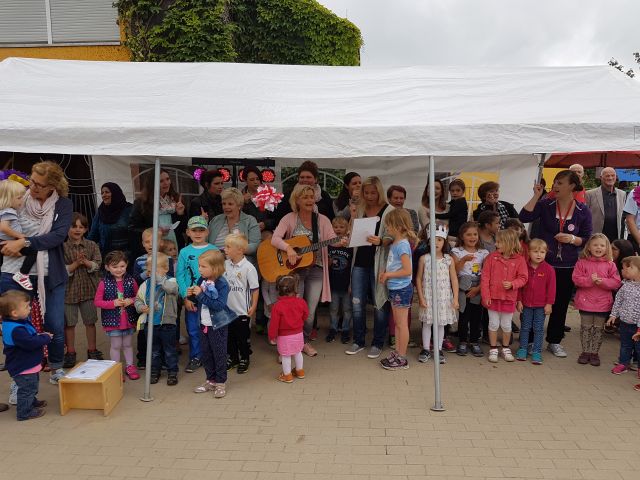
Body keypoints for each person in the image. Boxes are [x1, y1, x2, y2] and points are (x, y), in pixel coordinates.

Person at [1, 161, 73, 385]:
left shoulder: (63, 205)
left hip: (51, 274)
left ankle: (57, 367)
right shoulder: (19, 197)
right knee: (16, 325)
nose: (33, 187)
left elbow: (57, 236)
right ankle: (18, 379)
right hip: (16, 273)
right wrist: (7, 245)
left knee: (54, 323)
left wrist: (24, 243)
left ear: (53, 186)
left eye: (40, 185)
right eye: (32, 181)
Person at [519, 170, 593, 358]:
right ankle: (528, 341)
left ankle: (554, 340)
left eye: (560, 183)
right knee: (533, 301)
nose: (555, 186)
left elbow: (586, 237)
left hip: (567, 265)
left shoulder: (583, 210)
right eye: (555, 182)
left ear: (572, 186)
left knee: (559, 304)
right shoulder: (546, 204)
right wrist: (536, 196)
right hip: (541, 264)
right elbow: (524, 217)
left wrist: (572, 239)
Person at [272, 183, 338, 357]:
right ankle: (287, 345)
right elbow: (275, 238)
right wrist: (289, 248)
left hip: (316, 269)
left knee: (309, 312)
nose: (310, 200)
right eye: (305, 197)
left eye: (311, 197)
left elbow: (332, 239)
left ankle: (303, 341)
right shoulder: (289, 218)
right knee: (291, 310)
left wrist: (342, 241)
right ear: (297, 200)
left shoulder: (322, 220)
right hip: (295, 272)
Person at [345, 176, 394, 359]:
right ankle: (358, 340)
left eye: (373, 192)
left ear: (379, 191)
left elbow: (393, 235)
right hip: (359, 263)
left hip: (378, 263)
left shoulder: (389, 211)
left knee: (379, 303)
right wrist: (351, 219)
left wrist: (381, 240)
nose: (370, 195)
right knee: (357, 303)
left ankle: (377, 342)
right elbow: (352, 232)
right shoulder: (361, 209)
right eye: (366, 192)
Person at [190, 249, 236, 399]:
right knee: (206, 353)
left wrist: (201, 295)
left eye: (203, 266)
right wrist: (192, 296)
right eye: (199, 266)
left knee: (219, 353)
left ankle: (221, 382)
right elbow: (199, 300)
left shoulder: (222, 284)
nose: (199, 269)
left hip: (218, 325)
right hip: (203, 323)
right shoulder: (201, 280)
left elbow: (218, 305)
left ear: (215, 268)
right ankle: (210, 380)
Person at [0, 290, 51, 420]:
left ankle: (31, 402)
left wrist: (39, 336)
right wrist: (45, 338)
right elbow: (30, 343)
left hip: (27, 365)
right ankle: (24, 412)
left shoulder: (17, 323)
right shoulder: (16, 329)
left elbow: (29, 338)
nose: (30, 309)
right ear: (14, 313)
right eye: (27, 306)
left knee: (32, 385)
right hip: (22, 366)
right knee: (27, 389)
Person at [176, 216, 218, 373]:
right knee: (193, 328)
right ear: (187, 232)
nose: (198, 233)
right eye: (194, 230)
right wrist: (185, 296)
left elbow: (219, 273)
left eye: (201, 230)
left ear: (207, 231)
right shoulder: (184, 252)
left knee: (211, 327)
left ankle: (213, 354)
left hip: (209, 295)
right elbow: (180, 275)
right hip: (191, 296)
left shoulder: (213, 250)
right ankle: (196, 356)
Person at [572, 233, 621, 366]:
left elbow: (616, 282)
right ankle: (585, 352)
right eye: (595, 245)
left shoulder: (611, 265)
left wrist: (602, 282)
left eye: (602, 245)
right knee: (586, 328)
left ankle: (594, 353)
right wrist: (590, 280)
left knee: (598, 329)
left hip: (603, 303)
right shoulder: (581, 263)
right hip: (585, 302)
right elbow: (576, 279)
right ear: (589, 247)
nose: (598, 247)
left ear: (607, 248)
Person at [481, 229, 528, 363]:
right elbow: (485, 278)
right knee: (493, 323)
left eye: (499, 242)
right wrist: (486, 296)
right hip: (493, 298)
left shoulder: (519, 260)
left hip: (509, 298)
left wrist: (513, 284)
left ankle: (506, 348)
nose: (496, 244)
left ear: (509, 243)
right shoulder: (491, 258)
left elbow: (524, 278)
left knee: (506, 325)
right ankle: (493, 348)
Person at [378, 209, 417, 370]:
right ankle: (397, 352)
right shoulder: (397, 242)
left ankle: (402, 357)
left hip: (402, 289)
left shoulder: (402, 245)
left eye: (389, 224)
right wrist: (387, 274)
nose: (386, 227)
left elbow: (408, 270)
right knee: (398, 323)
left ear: (398, 226)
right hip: (396, 288)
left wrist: (389, 274)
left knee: (401, 325)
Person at [63, 213, 103, 368]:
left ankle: (92, 350)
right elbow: (61, 269)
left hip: (89, 290)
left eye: (81, 227)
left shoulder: (92, 245)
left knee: (90, 321)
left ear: (86, 229)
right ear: (67, 228)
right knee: (70, 324)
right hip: (69, 291)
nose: (77, 230)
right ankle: (70, 352)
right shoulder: (62, 247)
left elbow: (97, 265)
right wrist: (75, 264)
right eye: (74, 226)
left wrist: (86, 262)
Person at [416, 224, 459, 364]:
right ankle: (426, 348)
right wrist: (421, 297)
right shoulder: (424, 258)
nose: (436, 243)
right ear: (428, 241)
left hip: (444, 297)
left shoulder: (448, 259)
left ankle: (439, 348)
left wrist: (456, 298)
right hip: (428, 297)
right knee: (427, 323)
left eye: (440, 240)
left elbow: (453, 279)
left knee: (440, 324)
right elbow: (418, 278)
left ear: (444, 242)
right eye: (433, 239)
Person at [94, 250, 140, 380]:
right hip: (112, 321)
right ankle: (116, 368)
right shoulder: (103, 283)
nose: (119, 269)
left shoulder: (131, 280)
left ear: (126, 265)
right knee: (115, 345)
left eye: (122, 266)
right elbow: (97, 302)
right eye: (115, 267)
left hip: (128, 320)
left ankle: (130, 366)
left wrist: (130, 301)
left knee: (128, 344)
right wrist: (112, 303)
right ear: (107, 267)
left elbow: (138, 297)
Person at [135, 252, 179, 385]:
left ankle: (172, 372)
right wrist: (141, 307)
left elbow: (172, 290)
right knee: (154, 350)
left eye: (155, 269)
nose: (151, 273)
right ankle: (155, 371)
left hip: (167, 323)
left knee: (170, 350)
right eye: (149, 270)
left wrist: (160, 280)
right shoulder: (146, 284)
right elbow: (138, 298)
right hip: (151, 323)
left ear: (165, 269)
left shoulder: (171, 281)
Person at [129, 169, 187, 260]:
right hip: (154, 244)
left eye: (167, 179)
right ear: (153, 183)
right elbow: (133, 227)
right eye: (161, 181)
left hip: (174, 243)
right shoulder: (142, 202)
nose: (166, 183)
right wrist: (155, 231)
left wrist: (181, 214)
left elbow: (184, 229)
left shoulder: (176, 199)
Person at [451, 222, 489, 357]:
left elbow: (487, 273)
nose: (472, 237)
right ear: (462, 236)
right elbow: (455, 271)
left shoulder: (484, 253)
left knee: (476, 315)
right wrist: (464, 260)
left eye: (475, 234)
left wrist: (478, 289)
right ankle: (462, 341)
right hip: (463, 286)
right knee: (463, 315)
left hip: (478, 286)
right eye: (468, 234)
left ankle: (474, 341)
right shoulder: (457, 252)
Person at [515, 239, 556, 364]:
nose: (539, 255)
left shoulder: (549, 269)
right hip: (526, 305)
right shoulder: (523, 267)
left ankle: (537, 351)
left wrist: (549, 304)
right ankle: (522, 348)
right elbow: (520, 287)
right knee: (525, 327)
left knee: (538, 329)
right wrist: (519, 301)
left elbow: (552, 289)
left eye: (542, 252)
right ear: (529, 252)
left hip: (541, 306)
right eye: (536, 251)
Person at [223, 233, 259, 374]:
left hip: (242, 311)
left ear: (239, 250)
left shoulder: (248, 268)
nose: (224, 249)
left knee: (242, 337)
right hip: (227, 311)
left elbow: (255, 289)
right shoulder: (225, 264)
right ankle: (233, 358)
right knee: (229, 337)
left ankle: (244, 358)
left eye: (228, 247)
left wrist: (254, 305)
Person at [268, 275, 308, 383]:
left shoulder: (278, 306)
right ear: (295, 288)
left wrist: (272, 336)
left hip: (284, 336)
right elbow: (306, 314)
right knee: (298, 352)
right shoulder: (301, 302)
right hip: (299, 333)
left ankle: (287, 376)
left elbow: (274, 324)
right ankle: (300, 371)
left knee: (285, 356)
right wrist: (300, 322)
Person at [0, 179, 37, 290]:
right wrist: (21, 236)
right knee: (34, 249)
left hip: (4, 242)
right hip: (6, 241)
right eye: (19, 198)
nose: (22, 200)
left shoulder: (4, 211)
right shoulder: (9, 211)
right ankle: (22, 274)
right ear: (9, 198)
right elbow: (4, 227)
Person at [607, 256, 640, 376]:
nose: (623, 270)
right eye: (622, 268)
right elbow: (618, 300)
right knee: (625, 345)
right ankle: (623, 363)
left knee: (638, 348)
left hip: (638, 326)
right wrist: (613, 314)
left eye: (628, 268)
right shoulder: (625, 285)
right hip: (625, 322)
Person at [208, 188, 261, 262]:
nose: (226, 207)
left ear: (239, 205)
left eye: (230, 204)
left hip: (240, 262)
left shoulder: (250, 221)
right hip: (216, 262)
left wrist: (235, 250)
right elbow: (206, 242)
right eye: (224, 204)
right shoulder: (215, 220)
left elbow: (255, 245)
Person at [87, 182, 133, 260]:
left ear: (115, 193)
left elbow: (135, 234)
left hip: (126, 258)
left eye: (107, 192)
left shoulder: (130, 210)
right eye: (102, 193)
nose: (104, 195)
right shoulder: (101, 212)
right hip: (106, 258)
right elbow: (93, 235)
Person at [326, 216, 353, 344]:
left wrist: (352, 283)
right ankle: (333, 328)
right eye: (335, 227)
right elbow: (327, 263)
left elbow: (353, 266)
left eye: (342, 227)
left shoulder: (350, 246)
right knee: (333, 309)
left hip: (346, 283)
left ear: (347, 229)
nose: (338, 229)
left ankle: (346, 329)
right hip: (333, 283)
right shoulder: (330, 245)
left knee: (347, 309)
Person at [585, 167, 627, 242]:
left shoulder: (622, 194)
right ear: (601, 177)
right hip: (596, 237)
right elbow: (585, 217)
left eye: (613, 175)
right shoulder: (589, 194)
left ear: (616, 177)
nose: (610, 178)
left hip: (615, 237)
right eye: (607, 176)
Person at [241, 166, 277, 233]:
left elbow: (276, 219)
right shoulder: (239, 196)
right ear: (245, 181)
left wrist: (265, 224)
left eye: (257, 179)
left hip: (265, 232)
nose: (255, 182)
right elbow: (236, 218)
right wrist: (243, 204)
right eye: (252, 180)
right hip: (246, 232)